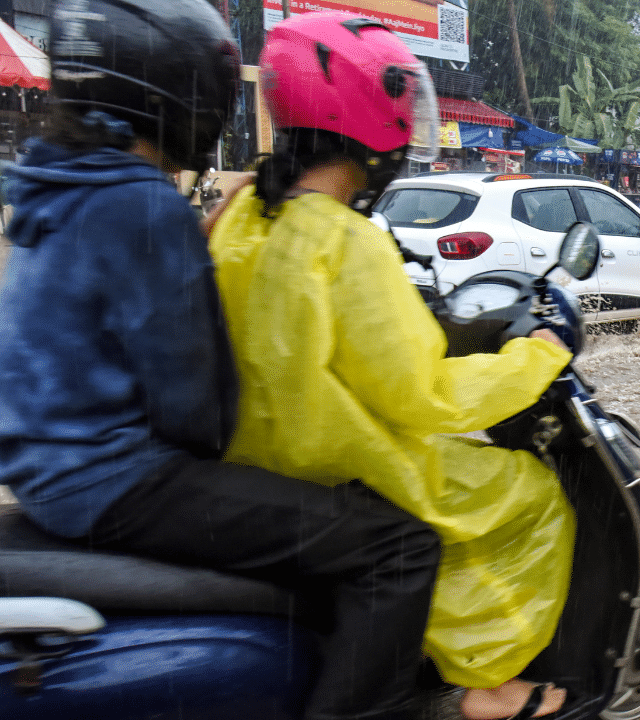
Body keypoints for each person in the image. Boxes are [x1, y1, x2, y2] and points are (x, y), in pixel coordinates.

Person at [0, 2, 440, 720]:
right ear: (171, 95)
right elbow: (200, 416)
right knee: (397, 546)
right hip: (118, 482)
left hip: (45, 471)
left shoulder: (53, 183)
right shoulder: (145, 208)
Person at [206, 12, 575, 720]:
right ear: (382, 117)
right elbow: (426, 395)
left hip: (252, 461)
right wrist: (533, 360)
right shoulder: (349, 243)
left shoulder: (245, 214)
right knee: (526, 493)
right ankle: (489, 681)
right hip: (340, 463)